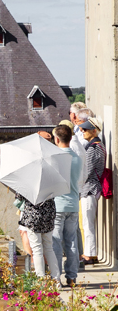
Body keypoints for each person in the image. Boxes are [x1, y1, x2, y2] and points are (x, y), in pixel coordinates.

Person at [52, 123, 82, 287]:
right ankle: (72, 277)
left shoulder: (55, 158)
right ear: (71, 138)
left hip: (58, 205)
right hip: (73, 204)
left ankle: (56, 278)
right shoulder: (76, 158)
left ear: (57, 139)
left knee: (56, 242)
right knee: (71, 242)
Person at [18, 190, 60, 282]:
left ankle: (41, 279)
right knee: (49, 248)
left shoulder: (28, 180)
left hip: (33, 217)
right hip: (48, 216)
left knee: (37, 250)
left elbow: (19, 197)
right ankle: (56, 280)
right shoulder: (51, 178)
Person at [80, 117, 106, 264]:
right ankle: (91, 253)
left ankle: (90, 255)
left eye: (85, 129)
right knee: (88, 223)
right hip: (92, 188)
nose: (82, 131)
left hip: (89, 188)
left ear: (94, 131)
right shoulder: (98, 146)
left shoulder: (93, 147)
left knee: (87, 223)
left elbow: (86, 171)